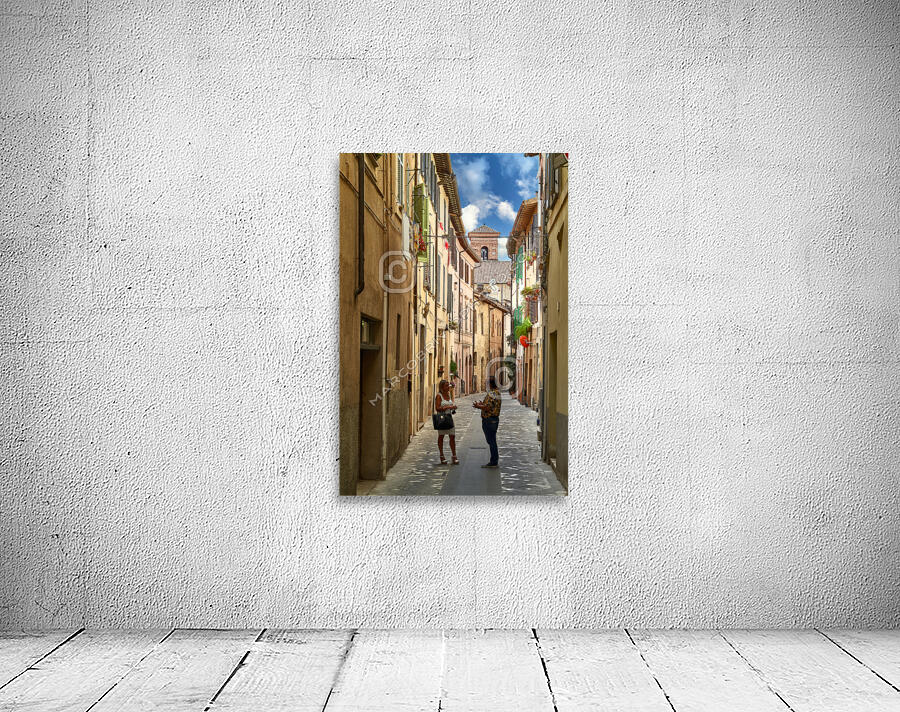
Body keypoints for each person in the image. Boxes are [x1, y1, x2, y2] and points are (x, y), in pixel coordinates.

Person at [473, 376, 501, 468]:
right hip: (493, 420)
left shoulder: (492, 394)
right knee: (492, 440)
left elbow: (488, 408)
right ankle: (494, 460)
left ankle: (493, 461)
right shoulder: (496, 393)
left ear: (490, 384)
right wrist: (482, 404)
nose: (486, 385)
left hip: (489, 420)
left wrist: (478, 406)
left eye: (487, 383)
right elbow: (490, 405)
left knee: (491, 441)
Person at [434, 380, 459, 465]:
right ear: (442, 387)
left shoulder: (448, 394)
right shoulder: (439, 396)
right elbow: (437, 408)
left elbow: (449, 405)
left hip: (449, 417)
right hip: (442, 418)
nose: (448, 387)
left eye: (448, 385)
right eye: (446, 386)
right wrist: (447, 407)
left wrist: (453, 407)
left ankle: (454, 455)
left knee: (452, 436)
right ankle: (441, 456)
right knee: (441, 437)